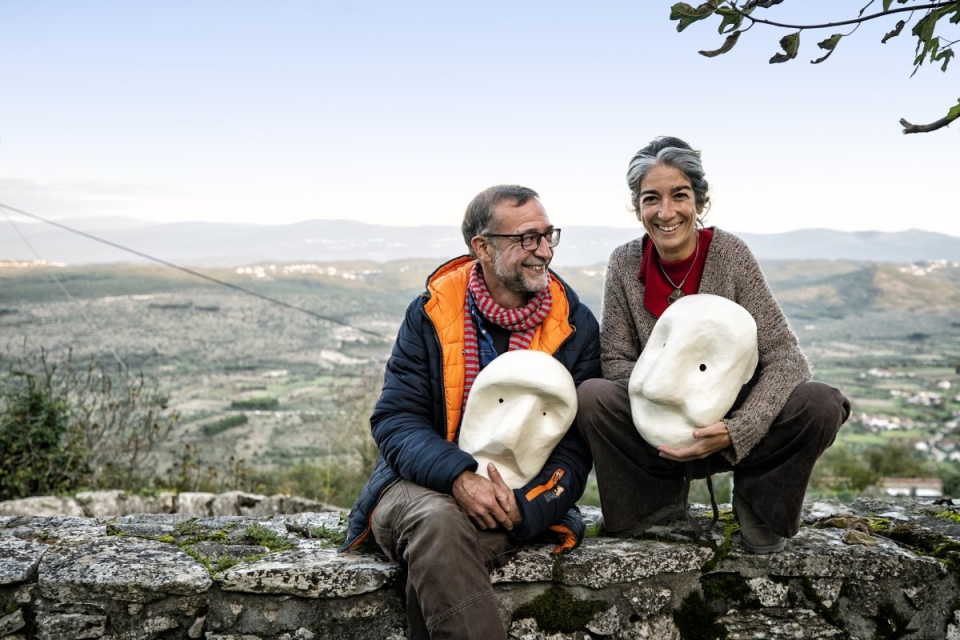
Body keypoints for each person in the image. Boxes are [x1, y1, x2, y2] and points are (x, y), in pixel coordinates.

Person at [340, 185, 601, 639]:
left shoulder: (574, 327)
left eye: (547, 235)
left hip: (514, 496)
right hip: (416, 486)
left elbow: (575, 448)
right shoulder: (431, 312)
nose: (544, 250)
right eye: (527, 238)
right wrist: (459, 478)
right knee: (438, 521)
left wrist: (526, 508)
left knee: (442, 550)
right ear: (482, 247)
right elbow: (396, 420)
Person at [576, 136, 851, 554]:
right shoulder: (624, 262)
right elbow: (614, 359)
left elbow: (787, 358)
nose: (665, 212)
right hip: (655, 427)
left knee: (821, 403)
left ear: (700, 201)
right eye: (651, 199)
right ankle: (652, 508)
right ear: (637, 207)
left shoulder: (730, 255)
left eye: (679, 195)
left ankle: (760, 509)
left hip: (734, 424)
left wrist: (736, 429)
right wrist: (671, 395)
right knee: (593, 396)